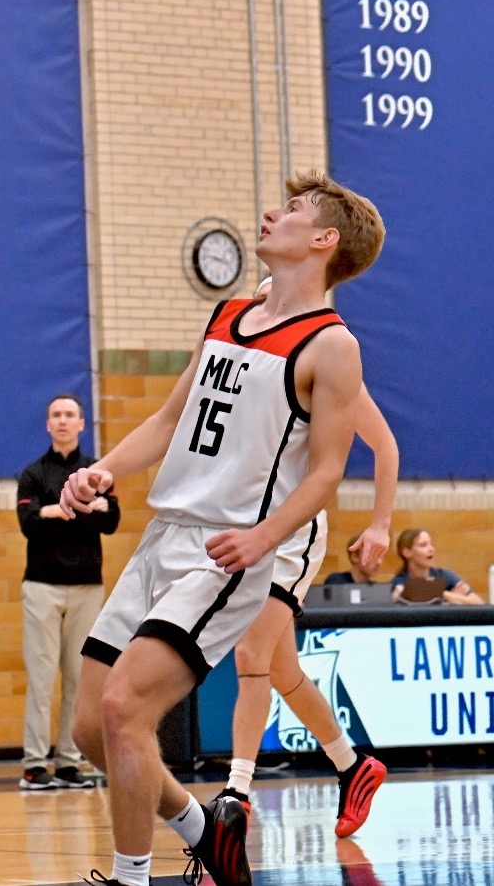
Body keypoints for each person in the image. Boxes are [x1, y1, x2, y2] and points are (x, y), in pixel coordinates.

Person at [61, 173, 384, 886]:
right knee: (92, 728)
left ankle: (130, 876)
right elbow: (170, 419)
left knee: (125, 707)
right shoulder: (227, 314)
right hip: (163, 534)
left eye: (293, 210)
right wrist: (103, 470)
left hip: (226, 550)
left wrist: (265, 536)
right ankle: (206, 829)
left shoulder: (333, 346)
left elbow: (329, 470)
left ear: (324, 241)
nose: (273, 212)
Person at [222, 276, 401, 837]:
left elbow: (386, 446)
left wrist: (379, 524)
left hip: (294, 531)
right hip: (251, 524)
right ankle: (354, 767)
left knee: (249, 651)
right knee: (281, 669)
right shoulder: (247, 363)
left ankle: (236, 794)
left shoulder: (327, 362)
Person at [16, 393, 117, 791]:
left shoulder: (97, 471)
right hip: (41, 587)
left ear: (81, 423)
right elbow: (28, 522)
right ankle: (34, 764)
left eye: (69, 414)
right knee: (41, 678)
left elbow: (111, 520)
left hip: (88, 588)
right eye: (55, 414)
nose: (62, 420)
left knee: (78, 679)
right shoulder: (33, 473)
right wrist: (77, 510)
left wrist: (54, 510)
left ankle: (70, 762)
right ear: (48, 424)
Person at [391, 529, 483, 604]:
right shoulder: (400, 581)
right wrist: (452, 597)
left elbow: (478, 602)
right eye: (423, 545)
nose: (431, 549)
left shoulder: (445, 575)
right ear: (407, 552)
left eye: (431, 544)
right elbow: (409, 596)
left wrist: (442, 594)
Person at [319, 537, 385, 586]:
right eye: (372, 555)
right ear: (354, 557)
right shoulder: (336, 583)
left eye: (380, 556)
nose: (379, 562)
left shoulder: (375, 589)